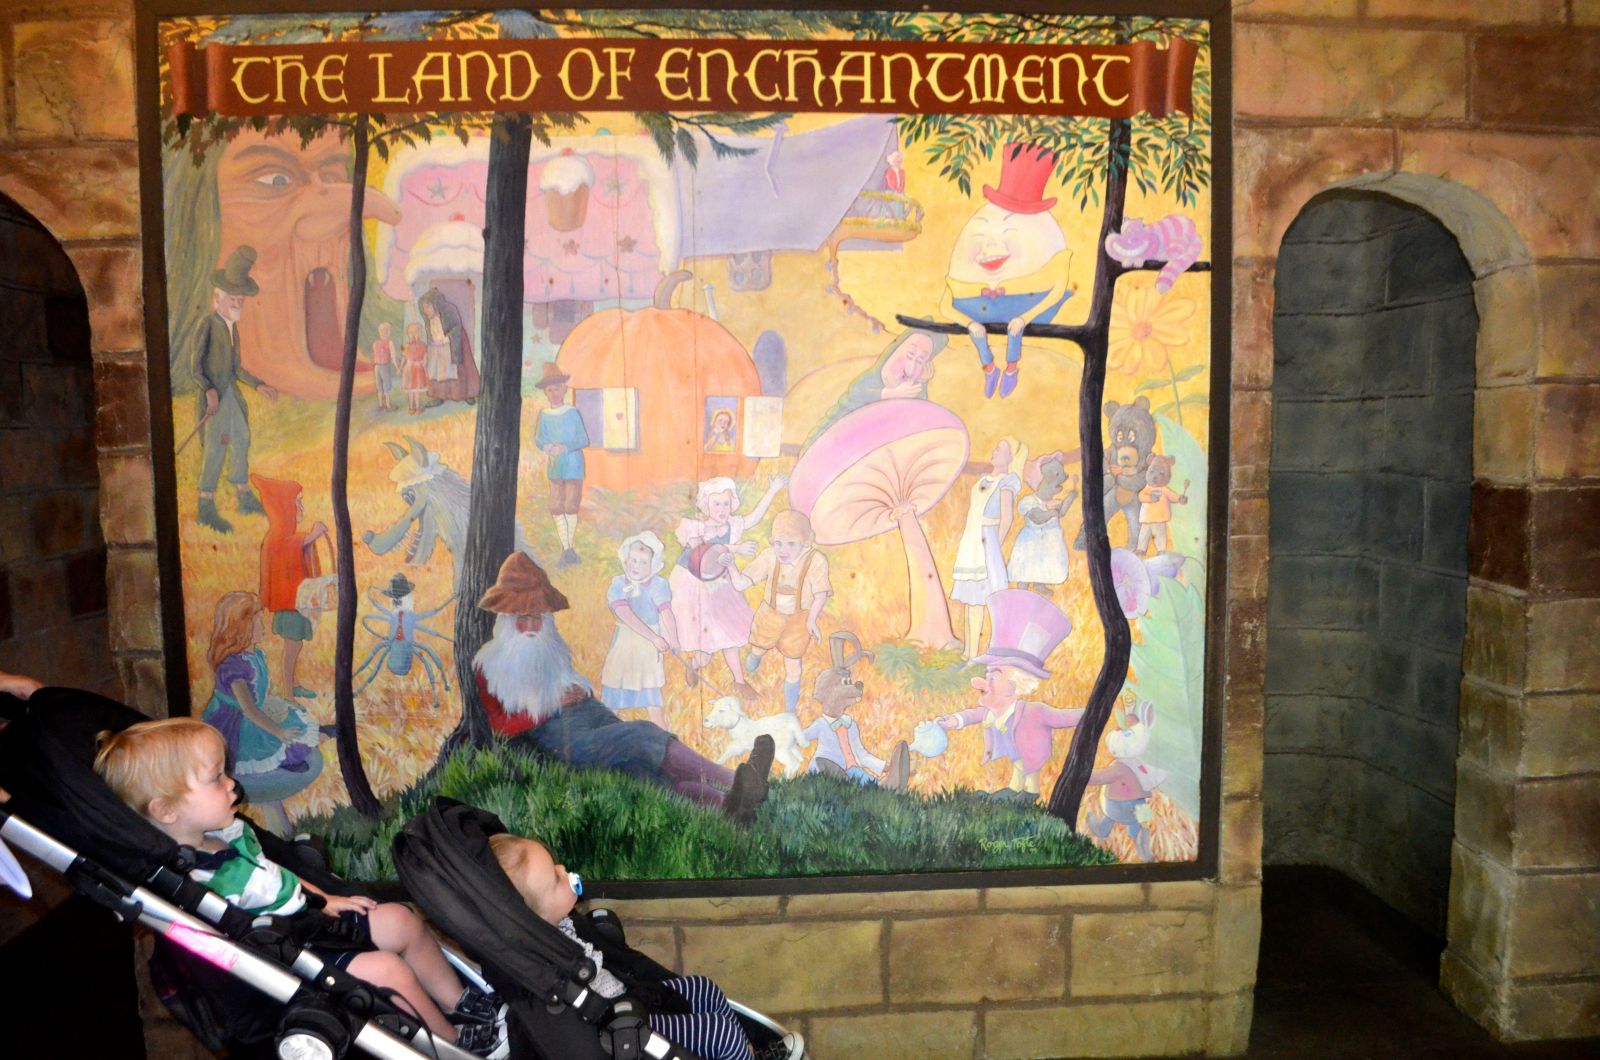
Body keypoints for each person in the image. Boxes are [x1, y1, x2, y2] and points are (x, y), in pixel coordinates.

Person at [93, 717, 508, 1057]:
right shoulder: (198, 881)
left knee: (401, 920)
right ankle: (455, 1045)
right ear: (166, 810)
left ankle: (464, 1005)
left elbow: (277, 875)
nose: (232, 784)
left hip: (310, 924)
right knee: (389, 971)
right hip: (290, 958)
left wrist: (326, 898)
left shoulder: (226, 835)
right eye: (216, 779)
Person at [471, 552, 774, 824]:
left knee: (642, 770)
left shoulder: (552, 648)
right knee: (641, 735)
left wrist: (581, 692)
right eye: (522, 619)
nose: (531, 627)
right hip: (560, 740)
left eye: (537, 618)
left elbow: (567, 682)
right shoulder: (490, 664)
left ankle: (731, 806)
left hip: (588, 717)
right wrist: (552, 705)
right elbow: (500, 725)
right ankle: (736, 780)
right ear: (507, 621)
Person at [491, 833, 801, 1060]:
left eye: (557, 866)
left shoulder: (558, 926)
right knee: (721, 1032)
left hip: (628, 1000)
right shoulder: (547, 960)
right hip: (620, 1028)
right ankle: (733, 1049)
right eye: (556, 879)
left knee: (704, 989)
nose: (563, 870)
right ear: (535, 918)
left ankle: (744, 1054)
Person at [936, 589, 1080, 801]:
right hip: (1016, 754)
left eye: (993, 676)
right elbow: (975, 714)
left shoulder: (1034, 712)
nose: (983, 682)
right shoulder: (994, 712)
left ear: (1012, 686)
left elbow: (1062, 717)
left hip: (1031, 754)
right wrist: (955, 720)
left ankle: (1030, 792)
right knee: (1018, 764)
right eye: (987, 675)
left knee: (1026, 767)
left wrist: (1091, 713)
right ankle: (1014, 789)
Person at [199, 591, 323, 837]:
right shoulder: (234, 666)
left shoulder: (255, 656)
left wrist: (278, 706)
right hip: (236, 729)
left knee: (293, 739)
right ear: (242, 628)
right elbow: (249, 709)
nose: (263, 626)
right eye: (257, 622)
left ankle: (281, 832)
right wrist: (279, 731)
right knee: (269, 757)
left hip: (251, 718)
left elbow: (259, 698)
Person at [669, 476, 785, 699]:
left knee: (729, 635)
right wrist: (736, 549)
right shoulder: (695, 527)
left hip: (720, 585)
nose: (722, 509)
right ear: (706, 505)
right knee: (706, 645)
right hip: (694, 585)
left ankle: (739, 682)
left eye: (726, 504)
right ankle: (695, 663)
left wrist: (773, 490)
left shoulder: (732, 525)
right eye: (717, 504)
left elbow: (754, 518)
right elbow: (703, 551)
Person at [192, 245, 278, 534]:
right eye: (233, 299)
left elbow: (237, 369)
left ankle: (243, 497)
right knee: (216, 446)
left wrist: (259, 385)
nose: (238, 304)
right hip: (215, 399)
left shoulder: (232, 328)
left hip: (231, 396)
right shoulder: (208, 324)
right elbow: (195, 367)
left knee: (241, 438)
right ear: (218, 298)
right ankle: (205, 506)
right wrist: (208, 390)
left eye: (241, 300)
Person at [729, 510, 831, 715]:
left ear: (805, 542)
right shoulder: (769, 556)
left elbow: (821, 594)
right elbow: (740, 584)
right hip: (769, 615)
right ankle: (755, 657)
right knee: (757, 650)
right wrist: (730, 564)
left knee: (794, 667)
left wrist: (811, 620)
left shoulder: (816, 560)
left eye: (791, 544)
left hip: (799, 620)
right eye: (778, 543)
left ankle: (789, 712)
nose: (783, 550)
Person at [250, 474, 327, 702]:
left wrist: (310, 537)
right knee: (292, 647)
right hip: (289, 604)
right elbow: (292, 547)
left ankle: (293, 684)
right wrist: (313, 534)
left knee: (296, 645)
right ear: (284, 507)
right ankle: (289, 694)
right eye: (297, 503)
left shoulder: (284, 535)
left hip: (295, 602)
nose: (301, 508)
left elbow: (296, 548)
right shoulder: (278, 537)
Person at [951, 437, 1025, 660]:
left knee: (978, 599)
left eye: (1001, 449)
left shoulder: (1006, 482)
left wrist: (995, 545)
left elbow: (1007, 518)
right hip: (972, 541)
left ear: (1011, 458)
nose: (995, 451)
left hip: (986, 542)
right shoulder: (983, 478)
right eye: (996, 448)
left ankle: (973, 655)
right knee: (970, 598)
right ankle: (967, 651)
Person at [807, 328, 946, 443]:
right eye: (909, 355)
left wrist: (921, 382)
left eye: (920, 361)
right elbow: (856, 391)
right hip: (838, 437)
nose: (910, 369)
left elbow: (916, 412)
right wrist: (888, 394)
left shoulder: (911, 388)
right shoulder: (874, 379)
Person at [600, 531, 679, 730]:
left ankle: (662, 736)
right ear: (626, 560)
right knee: (614, 687)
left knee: (651, 694)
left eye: (643, 562)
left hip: (647, 651)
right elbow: (624, 614)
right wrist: (654, 638)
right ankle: (605, 734)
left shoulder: (658, 585)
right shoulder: (618, 584)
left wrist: (674, 639)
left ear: (653, 564)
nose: (636, 566)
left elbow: (666, 612)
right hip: (625, 643)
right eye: (633, 560)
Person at [533, 362, 589, 566]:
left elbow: (583, 439)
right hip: (555, 467)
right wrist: (547, 446)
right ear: (545, 393)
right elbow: (539, 439)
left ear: (564, 389)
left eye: (557, 389)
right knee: (556, 506)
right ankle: (567, 549)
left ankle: (568, 549)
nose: (554, 393)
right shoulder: (544, 415)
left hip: (573, 466)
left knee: (571, 506)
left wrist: (565, 448)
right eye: (550, 390)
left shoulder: (573, 413)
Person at [1007, 451, 1077, 595]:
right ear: (1039, 483)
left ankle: (1039, 585)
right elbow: (1036, 517)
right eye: (1056, 476)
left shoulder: (1053, 502)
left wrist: (1070, 498)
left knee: (1043, 564)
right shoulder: (1029, 501)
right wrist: (1050, 513)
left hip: (1049, 541)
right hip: (1032, 542)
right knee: (1027, 567)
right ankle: (1022, 588)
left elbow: (1061, 513)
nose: (1062, 479)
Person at [419, 288, 480, 406]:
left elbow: (456, 327)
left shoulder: (449, 310)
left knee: (459, 368)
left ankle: (466, 394)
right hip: (438, 347)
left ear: (435, 304)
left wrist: (447, 338)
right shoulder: (428, 319)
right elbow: (430, 334)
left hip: (456, 342)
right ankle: (438, 396)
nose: (425, 311)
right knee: (438, 369)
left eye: (427, 307)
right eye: (424, 308)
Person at [402, 321, 430, 415]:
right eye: (413, 333)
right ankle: (416, 408)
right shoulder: (422, 345)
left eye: (417, 333)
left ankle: (412, 408)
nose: (414, 335)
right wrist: (425, 367)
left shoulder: (406, 346)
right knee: (415, 389)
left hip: (411, 368)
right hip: (416, 369)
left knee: (412, 390)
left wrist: (401, 368)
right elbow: (425, 359)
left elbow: (404, 357)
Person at [371, 321, 396, 412]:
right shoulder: (389, 342)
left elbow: (375, 356)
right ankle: (388, 406)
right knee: (386, 385)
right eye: (388, 330)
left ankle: (381, 405)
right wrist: (397, 367)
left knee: (379, 386)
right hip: (384, 366)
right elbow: (393, 356)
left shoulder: (375, 343)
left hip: (376, 367)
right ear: (388, 332)